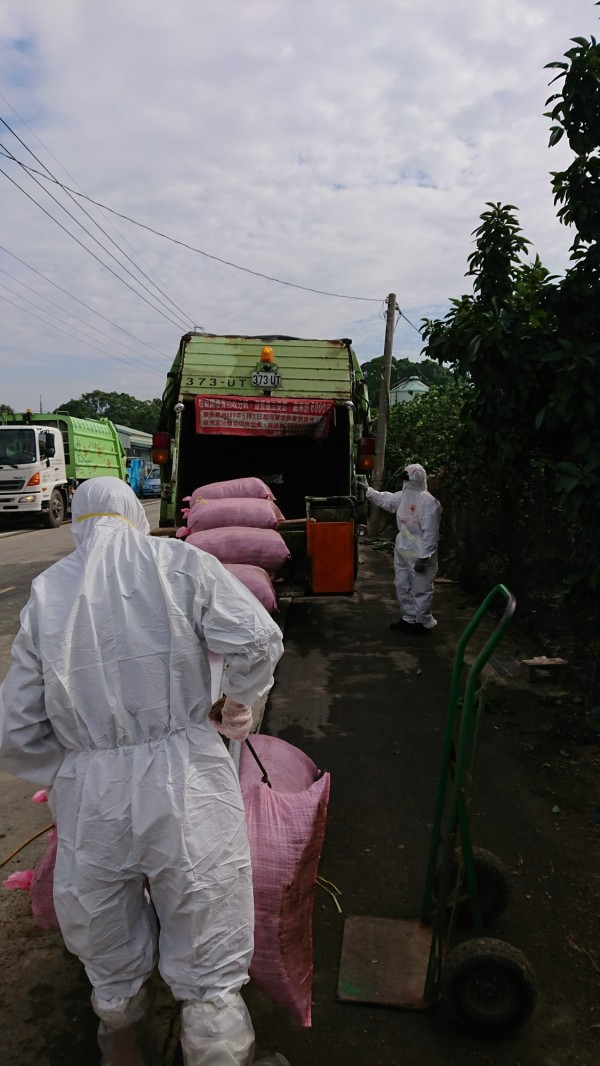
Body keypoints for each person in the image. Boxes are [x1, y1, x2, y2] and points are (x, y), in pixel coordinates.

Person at [0, 477, 288, 1066]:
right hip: (188, 780)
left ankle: (125, 1051)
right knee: (208, 951)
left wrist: (69, 771)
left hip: (92, 796)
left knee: (108, 951)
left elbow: (13, 730)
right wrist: (238, 704)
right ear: (137, 514)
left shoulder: (49, 592)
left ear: (77, 522)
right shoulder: (180, 562)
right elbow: (257, 638)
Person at [367, 462, 441, 633]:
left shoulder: (429, 502)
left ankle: (422, 622)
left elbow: (431, 533)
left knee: (421, 588)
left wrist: (424, 557)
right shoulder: (404, 496)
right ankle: (409, 618)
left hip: (419, 552)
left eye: (407, 478)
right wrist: (369, 491)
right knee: (402, 585)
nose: (405, 481)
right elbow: (386, 499)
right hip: (403, 549)